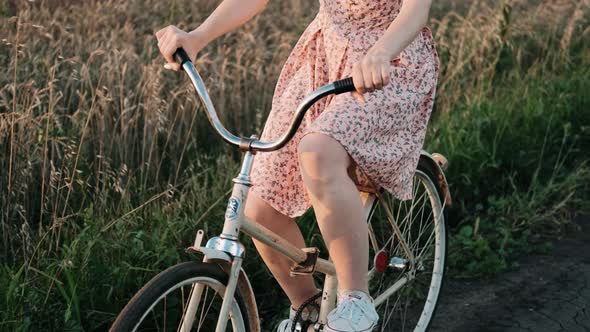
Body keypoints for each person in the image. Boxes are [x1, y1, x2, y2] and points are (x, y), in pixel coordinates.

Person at [155, 0, 438, 330]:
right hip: (324, 58)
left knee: (318, 152)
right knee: (259, 206)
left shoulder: (388, 53)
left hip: (388, 63)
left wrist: (381, 51)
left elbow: (416, 11)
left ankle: (355, 303)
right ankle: (309, 308)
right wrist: (197, 36)